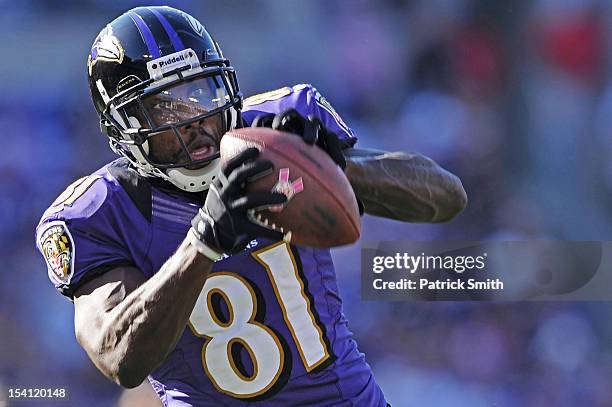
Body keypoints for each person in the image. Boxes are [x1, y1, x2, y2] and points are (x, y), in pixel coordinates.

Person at [35, 6, 466, 406]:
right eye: (165, 108)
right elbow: (118, 356)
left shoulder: (276, 126)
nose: (195, 120)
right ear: (123, 128)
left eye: (201, 93)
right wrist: (203, 241)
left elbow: (446, 198)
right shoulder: (98, 212)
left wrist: (334, 165)